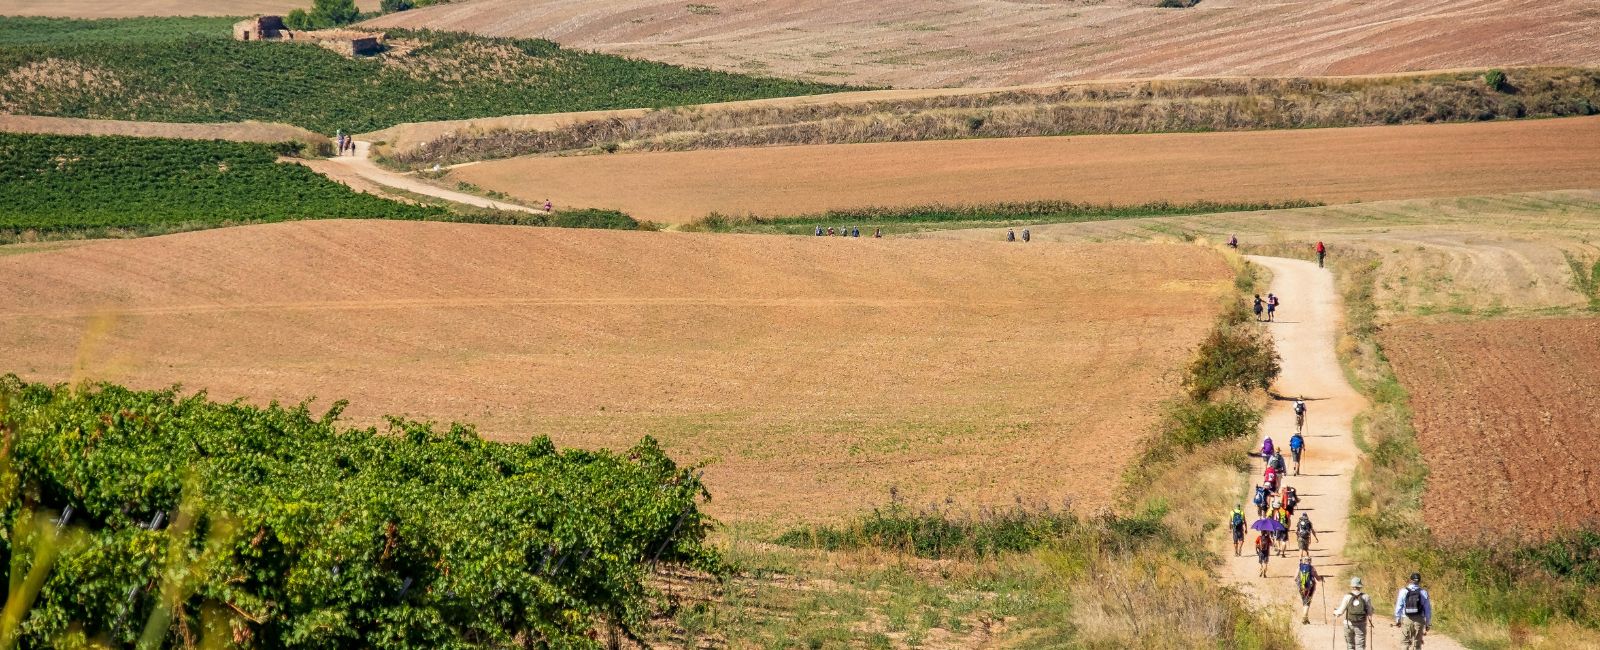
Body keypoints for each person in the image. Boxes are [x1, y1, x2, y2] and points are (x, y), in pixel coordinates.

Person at [1394, 572, 1433, 649]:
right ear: (1419, 581)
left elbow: (1399, 606)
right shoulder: (1423, 592)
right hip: (1419, 619)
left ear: (1410, 580)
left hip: (1407, 618)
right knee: (1417, 643)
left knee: (1405, 642)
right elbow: (1427, 610)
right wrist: (1427, 623)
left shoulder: (1403, 591)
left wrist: (1397, 619)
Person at [1334, 577, 1374, 649]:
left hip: (1348, 624)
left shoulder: (1347, 596)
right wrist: (1370, 621)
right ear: (1360, 586)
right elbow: (1370, 611)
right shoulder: (1366, 597)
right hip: (1361, 624)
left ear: (1352, 586)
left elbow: (1341, 611)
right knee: (1360, 646)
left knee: (1350, 645)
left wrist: (1335, 613)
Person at [1296, 557, 1320, 624]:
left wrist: (1300, 583)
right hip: (1310, 587)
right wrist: (1321, 578)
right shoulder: (1311, 568)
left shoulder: (1299, 567)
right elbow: (1318, 578)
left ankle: (1306, 618)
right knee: (1307, 602)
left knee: (1304, 601)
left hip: (1301, 587)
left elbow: (1295, 578)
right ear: (1310, 561)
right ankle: (1304, 618)